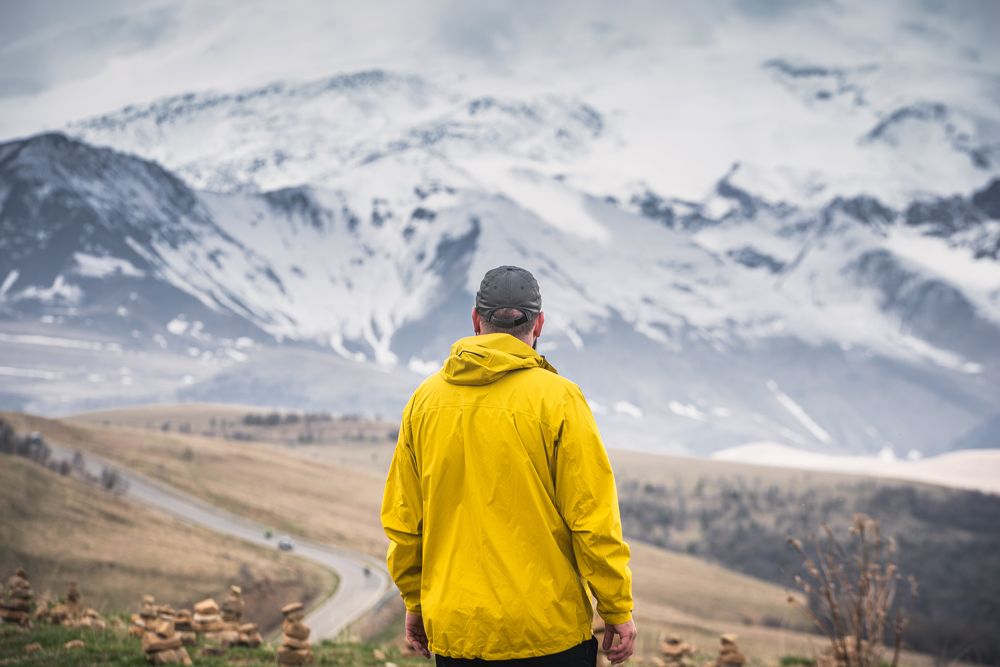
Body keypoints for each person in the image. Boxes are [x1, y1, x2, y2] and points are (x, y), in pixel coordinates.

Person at [381, 265, 636, 666]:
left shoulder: (424, 401)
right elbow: (592, 521)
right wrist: (616, 608)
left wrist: (416, 600)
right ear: (539, 324)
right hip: (546, 633)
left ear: (475, 320)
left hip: (457, 628)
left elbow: (404, 522)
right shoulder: (559, 400)